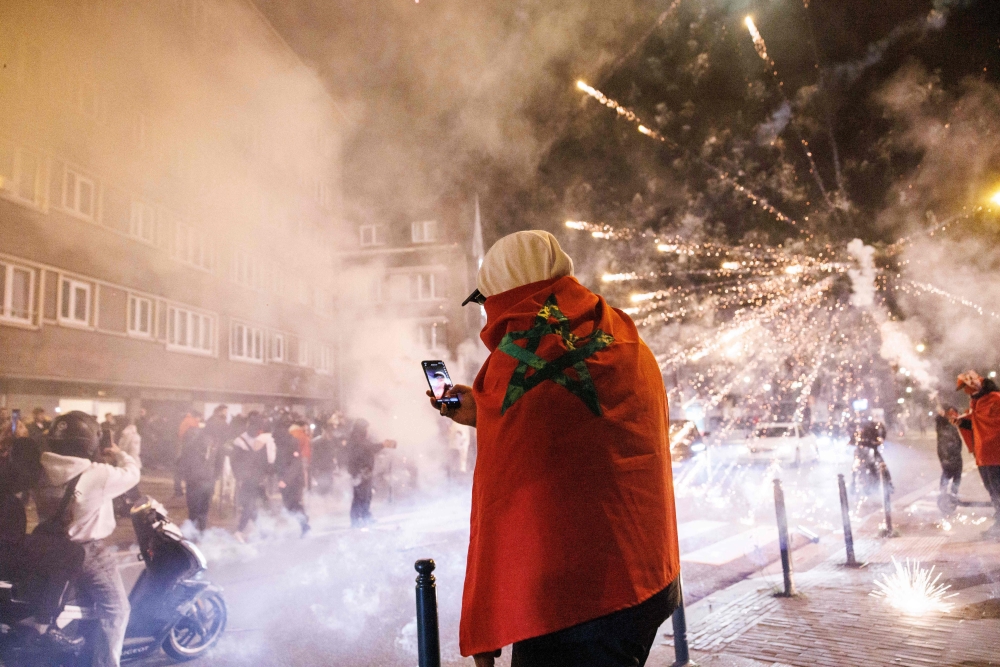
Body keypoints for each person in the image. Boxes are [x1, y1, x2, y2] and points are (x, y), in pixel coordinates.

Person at [431, 230, 681, 667]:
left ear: (504, 292)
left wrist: (484, 625)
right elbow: (579, 426)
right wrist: (487, 409)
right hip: (648, 577)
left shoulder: (517, 362)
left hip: (576, 605)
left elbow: (500, 498)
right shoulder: (618, 330)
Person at [35, 411, 140, 667]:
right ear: (90, 442)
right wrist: (117, 452)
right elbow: (132, 473)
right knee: (117, 609)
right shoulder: (99, 474)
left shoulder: (43, 467)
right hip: (86, 552)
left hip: (48, 547)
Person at [955, 370, 1000, 539]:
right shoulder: (976, 403)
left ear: (974, 384)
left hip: (996, 454)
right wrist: (962, 421)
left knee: (998, 490)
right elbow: (976, 424)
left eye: (965, 387)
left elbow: (992, 423)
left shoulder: (995, 399)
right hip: (984, 455)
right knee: (992, 490)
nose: (965, 391)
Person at [230, 412, 274, 541]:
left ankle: (261, 530)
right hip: (250, 479)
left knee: (253, 506)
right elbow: (236, 462)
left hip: (254, 478)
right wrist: (240, 477)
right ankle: (240, 531)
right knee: (250, 505)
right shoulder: (243, 441)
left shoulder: (241, 440)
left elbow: (235, 462)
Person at [345, 419, 395, 527]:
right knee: (363, 495)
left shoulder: (357, 438)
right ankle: (361, 517)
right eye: (366, 428)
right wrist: (383, 444)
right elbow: (368, 448)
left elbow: (369, 447)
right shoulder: (357, 439)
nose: (368, 430)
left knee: (362, 495)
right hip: (361, 471)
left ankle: (359, 517)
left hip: (361, 471)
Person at [178, 424, 225, 532]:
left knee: (201, 511)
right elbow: (183, 463)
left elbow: (219, 463)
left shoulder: (216, 445)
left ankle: (199, 534)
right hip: (196, 483)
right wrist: (190, 478)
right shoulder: (193, 445)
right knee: (197, 511)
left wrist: (214, 477)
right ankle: (194, 535)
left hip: (205, 482)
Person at [274, 415, 310, 536]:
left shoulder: (291, 441)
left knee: (294, 503)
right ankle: (304, 523)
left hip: (293, 479)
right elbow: (279, 460)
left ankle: (305, 525)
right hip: (285, 478)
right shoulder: (280, 441)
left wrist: (286, 479)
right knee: (289, 505)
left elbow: (295, 462)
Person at [310, 417, 343, 496]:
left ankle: (326, 499)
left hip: (328, 466)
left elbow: (338, 451)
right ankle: (322, 500)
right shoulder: (317, 442)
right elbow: (314, 455)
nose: (329, 433)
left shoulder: (333, 440)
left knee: (328, 484)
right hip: (321, 466)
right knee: (322, 485)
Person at [935, 406, 964, 496]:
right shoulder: (943, 423)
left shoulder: (949, 423)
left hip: (953, 452)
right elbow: (940, 421)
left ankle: (951, 493)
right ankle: (945, 493)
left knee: (955, 474)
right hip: (947, 452)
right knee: (948, 472)